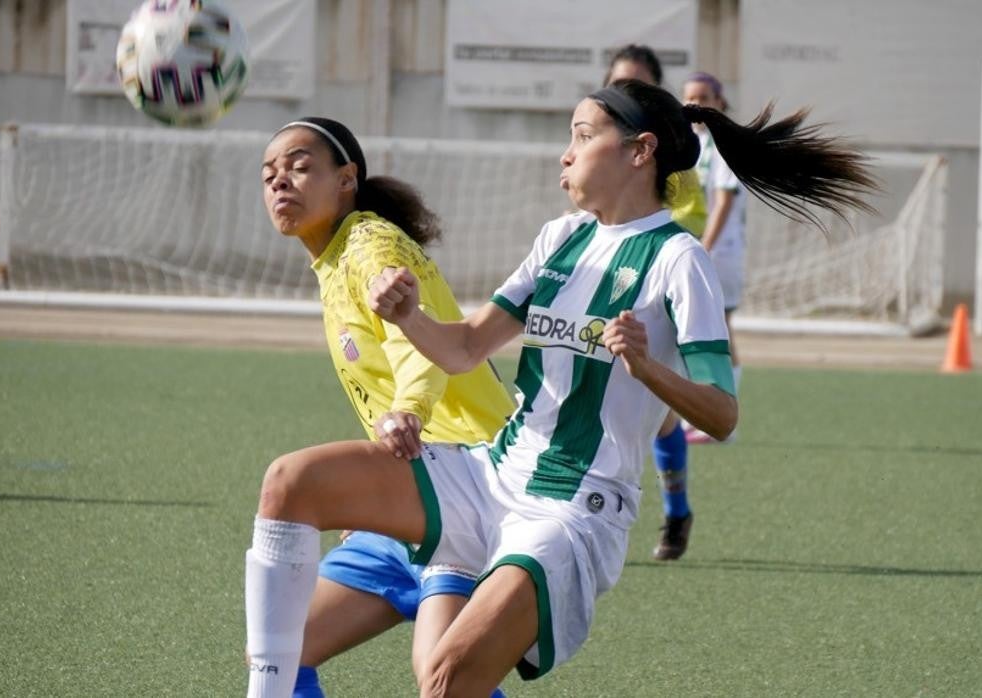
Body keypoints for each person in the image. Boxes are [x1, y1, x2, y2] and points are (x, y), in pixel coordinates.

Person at [244, 80, 874, 697]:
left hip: (574, 509)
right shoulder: (561, 238)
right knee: (289, 484)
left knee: (444, 680)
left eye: (582, 135)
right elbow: (465, 348)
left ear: (639, 150)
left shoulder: (680, 260)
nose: (565, 154)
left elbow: (724, 414)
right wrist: (410, 315)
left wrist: (648, 368)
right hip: (491, 474)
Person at [256, 117, 516, 698]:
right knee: (277, 651)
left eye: (300, 167)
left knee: (443, 680)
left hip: (470, 489)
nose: (280, 182)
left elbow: (414, 346)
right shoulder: (333, 260)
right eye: (269, 174)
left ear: (346, 179)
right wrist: (377, 495)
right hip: (412, 493)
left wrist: (410, 411)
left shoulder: (371, 243)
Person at [604, 44, 702, 559]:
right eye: (618, 85)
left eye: (637, 87)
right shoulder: (596, 147)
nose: (625, 96)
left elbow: (686, 223)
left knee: (660, 415)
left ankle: (674, 511)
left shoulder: (674, 164)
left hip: (650, 292)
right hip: (604, 287)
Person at [681, 71, 746, 444]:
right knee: (700, 327)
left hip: (720, 252)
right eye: (689, 97)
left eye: (703, 96)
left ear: (720, 102)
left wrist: (704, 246)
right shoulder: (695, 142)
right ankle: (704, 414)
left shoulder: (722, 143)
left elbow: (724, 199)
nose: (695, 104)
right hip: (703, 249)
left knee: (718, 327)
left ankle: (724, 417)